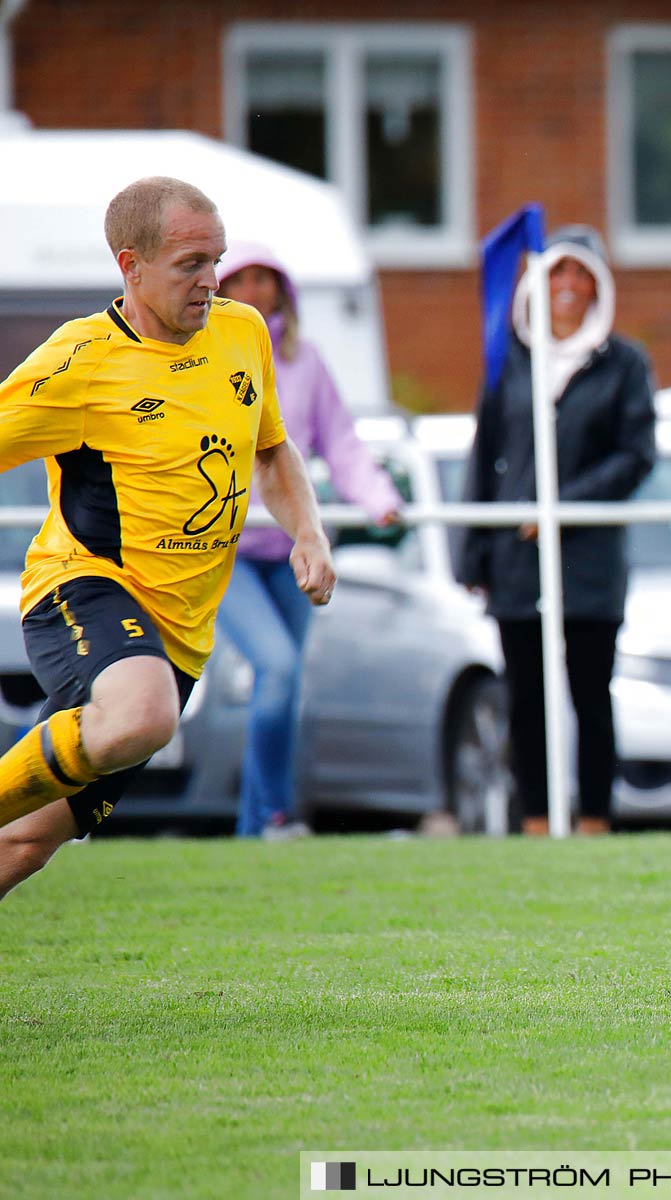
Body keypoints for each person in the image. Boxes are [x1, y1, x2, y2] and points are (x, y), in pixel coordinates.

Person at [0, 177, 334, 897]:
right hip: (84, 585)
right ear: (132, 267)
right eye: (191, 265)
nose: (211, 281)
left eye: (216, 260)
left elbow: (272, 450)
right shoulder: (78, 361)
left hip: (180, 634)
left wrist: (308, 532)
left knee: (23, 846)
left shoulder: (243, 332)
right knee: (142, 716)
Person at [457, 225, 656, 835]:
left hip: (589, 564)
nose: (568, 287)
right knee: (524, 700)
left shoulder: (623, 364)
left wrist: (559, 507)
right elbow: (484, 454)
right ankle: (536, 820)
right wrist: (475, 552)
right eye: (557, 274)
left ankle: (595, 817)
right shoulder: (509, 360)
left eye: (581, 274)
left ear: (600, 285)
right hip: (516, 568)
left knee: (589, 698)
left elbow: (634, 456)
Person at [214, 243, 403, 838]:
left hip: (293, 547)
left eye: (264, 279)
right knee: (276, 666)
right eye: (239, 279)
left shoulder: (306, 363)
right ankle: (273, 814)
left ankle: (256, 828)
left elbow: (340, 443)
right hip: (229, 552)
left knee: (287, 685)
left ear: (281, 290)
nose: (252, 289)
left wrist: (378, 501)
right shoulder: (205, 359)